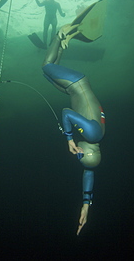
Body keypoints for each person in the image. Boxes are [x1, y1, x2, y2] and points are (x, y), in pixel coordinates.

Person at [42, 23, 106, 235]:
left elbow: (89, 171)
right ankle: (59, 33)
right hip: (77, 83)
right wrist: (69, 139)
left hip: (72, 89)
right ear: (87, 151)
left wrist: (86, 204)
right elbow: (66, 112)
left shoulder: (94, 141)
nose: (76, 155)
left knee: (49, 76)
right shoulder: (92, 134)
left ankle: (61, 45)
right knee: (46, 66)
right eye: (80, 155)